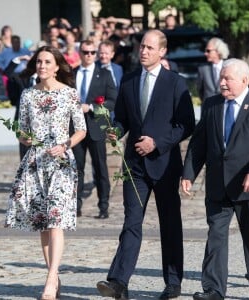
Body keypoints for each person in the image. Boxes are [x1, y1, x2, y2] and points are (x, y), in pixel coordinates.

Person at [96, 29, 195, 300]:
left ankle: (173, 283)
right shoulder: (128, 81)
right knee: (131, 222)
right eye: (142, 47)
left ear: (162, 51)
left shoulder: (175, 83)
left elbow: (186, 124)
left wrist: (158, 143)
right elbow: (123, 119)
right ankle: (118, 282)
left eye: (150, 48)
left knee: (170, 223)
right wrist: (115, 130)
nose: (144, 51)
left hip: (164, 165)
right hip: (134, 167)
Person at [181, 58, 249, 300]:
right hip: (218, 185)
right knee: (216, 235)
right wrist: (189, 173)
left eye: (228, 79)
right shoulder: (213, 104)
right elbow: (199, 143)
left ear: (244, 81)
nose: (222, 83)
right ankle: (213, 289)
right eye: (221, 78)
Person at [4, 45, 87, 300]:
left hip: (61, 164)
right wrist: (25, 138)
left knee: (56, 220)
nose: (41, 66)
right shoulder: (27, 95)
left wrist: (65, 145)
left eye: (46, 62)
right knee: (43, 223)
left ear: (57, 66)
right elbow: (21, 130)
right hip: (35, 164)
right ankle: (54, 275)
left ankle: (51, 279)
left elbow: (81, 130)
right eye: (38, 62)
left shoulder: (70, 94)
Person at [73, 39, 117, 218]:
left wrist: (90, 107)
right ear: (80, 53)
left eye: (92, 52)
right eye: (85, 52)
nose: (89, 55)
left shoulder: (104, 74)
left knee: (100, 168)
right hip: (75, 128)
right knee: (76, 168)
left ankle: (103, 206)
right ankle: (75, 206)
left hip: (96, 127)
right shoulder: (72, 74)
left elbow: (112, 102)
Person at [197, 37, 229, 104]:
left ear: (218, 51)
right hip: (208, 108)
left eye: (208, 51)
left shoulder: (229, 67)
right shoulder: (203, 69)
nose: (205, 53)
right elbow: (200, 90)